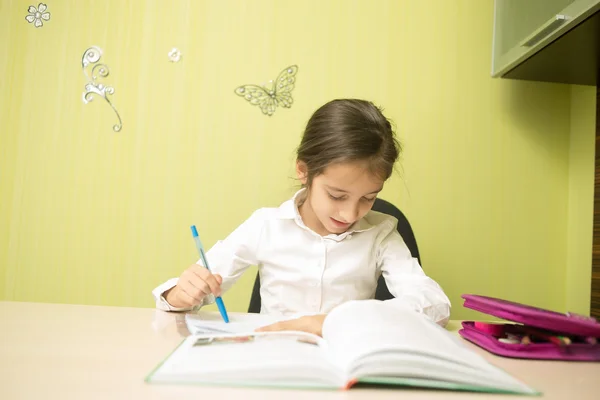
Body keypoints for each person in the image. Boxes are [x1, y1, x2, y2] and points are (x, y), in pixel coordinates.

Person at [152, 99, 451, 336]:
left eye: (368, 198)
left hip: (345, 363)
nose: (350, 214)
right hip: (272, 363)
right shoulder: (265, 225)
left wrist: (334, 321)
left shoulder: (381, 234)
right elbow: (187, 295)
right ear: (303, 171)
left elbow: (434, 305)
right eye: (336, 196)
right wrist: (181, 294)